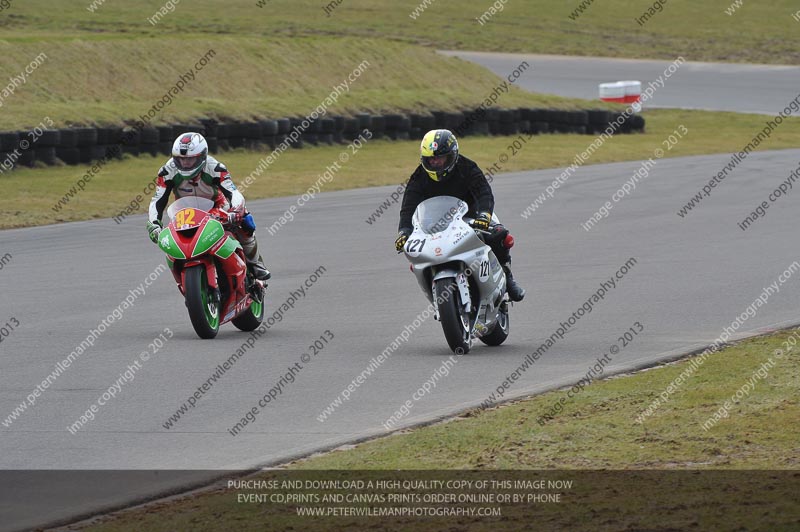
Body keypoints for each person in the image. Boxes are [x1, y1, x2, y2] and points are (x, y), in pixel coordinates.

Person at [395, 129, 525, 302]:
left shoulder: (467, 167)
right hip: (435, 223)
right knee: (416, 253)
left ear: (453, 156)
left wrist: (485, 215)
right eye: (431, 160)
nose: (436, 164)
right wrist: (404, 231)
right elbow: (408, 207)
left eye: (440, 159)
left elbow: (484, 192)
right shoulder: (419, 177)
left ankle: (507, 278)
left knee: (500, 235)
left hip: (472, 216)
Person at [146, 132, 270, 281]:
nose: (185, 164)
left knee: (246, 222)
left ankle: (256, 264)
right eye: (180, 159)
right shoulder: (167, 171)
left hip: (217, 208)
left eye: (190, 160)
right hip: (185, 213)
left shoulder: (215, 168)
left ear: (201, 156)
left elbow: (233, 192)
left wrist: (236, 210)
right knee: (172, 239)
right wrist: (154, 224)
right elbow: (158, 200)